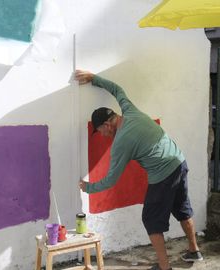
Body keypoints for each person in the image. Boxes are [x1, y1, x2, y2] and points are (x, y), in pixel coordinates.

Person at [76, 70, 203, 270]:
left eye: (100, 131)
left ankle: (164, 267)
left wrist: (88, 187)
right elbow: (117, 90)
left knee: (150, 219)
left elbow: (110, 180)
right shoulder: (129, 110)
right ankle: (194, 250)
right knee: (182, 209)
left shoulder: (121, 143)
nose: (101, 135)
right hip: (179, 161)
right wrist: (94, 78)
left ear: (108, 124)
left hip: (163, 175)